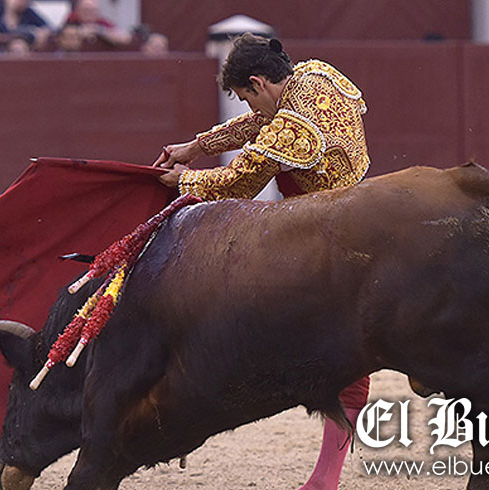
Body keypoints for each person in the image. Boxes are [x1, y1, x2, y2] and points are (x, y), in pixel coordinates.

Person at [153, 33, 369, 490]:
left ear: (258, 82)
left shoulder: (292, 127)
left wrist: (185, 179)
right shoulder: (314, 73)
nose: (249, 106)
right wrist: (197, 146)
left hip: (327, 241)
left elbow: (240, 182)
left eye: (246, 95)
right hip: (360, 210)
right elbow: (259, 124)